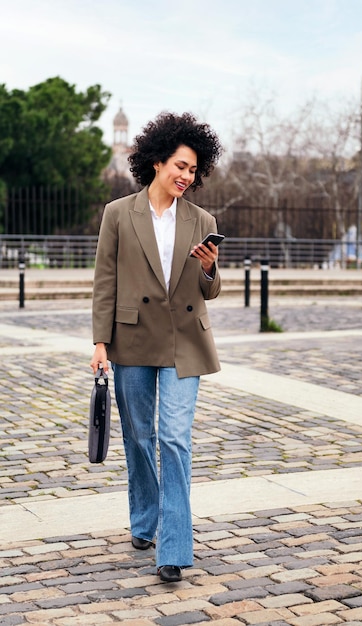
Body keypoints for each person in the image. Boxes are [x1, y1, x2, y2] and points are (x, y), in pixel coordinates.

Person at [90, 111, 223, 583]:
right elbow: (105, 281)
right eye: (179, 166)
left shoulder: (202, 219)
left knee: (174, 438)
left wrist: (209, 268)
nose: (186, 176)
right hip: (132, 340)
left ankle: (173, 546)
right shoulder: (118, 213)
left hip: (185, 343)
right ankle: (144, 520)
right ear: (155, 163)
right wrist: (101, 342)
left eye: (193, 169)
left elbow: (209, 291)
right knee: (140, 438)